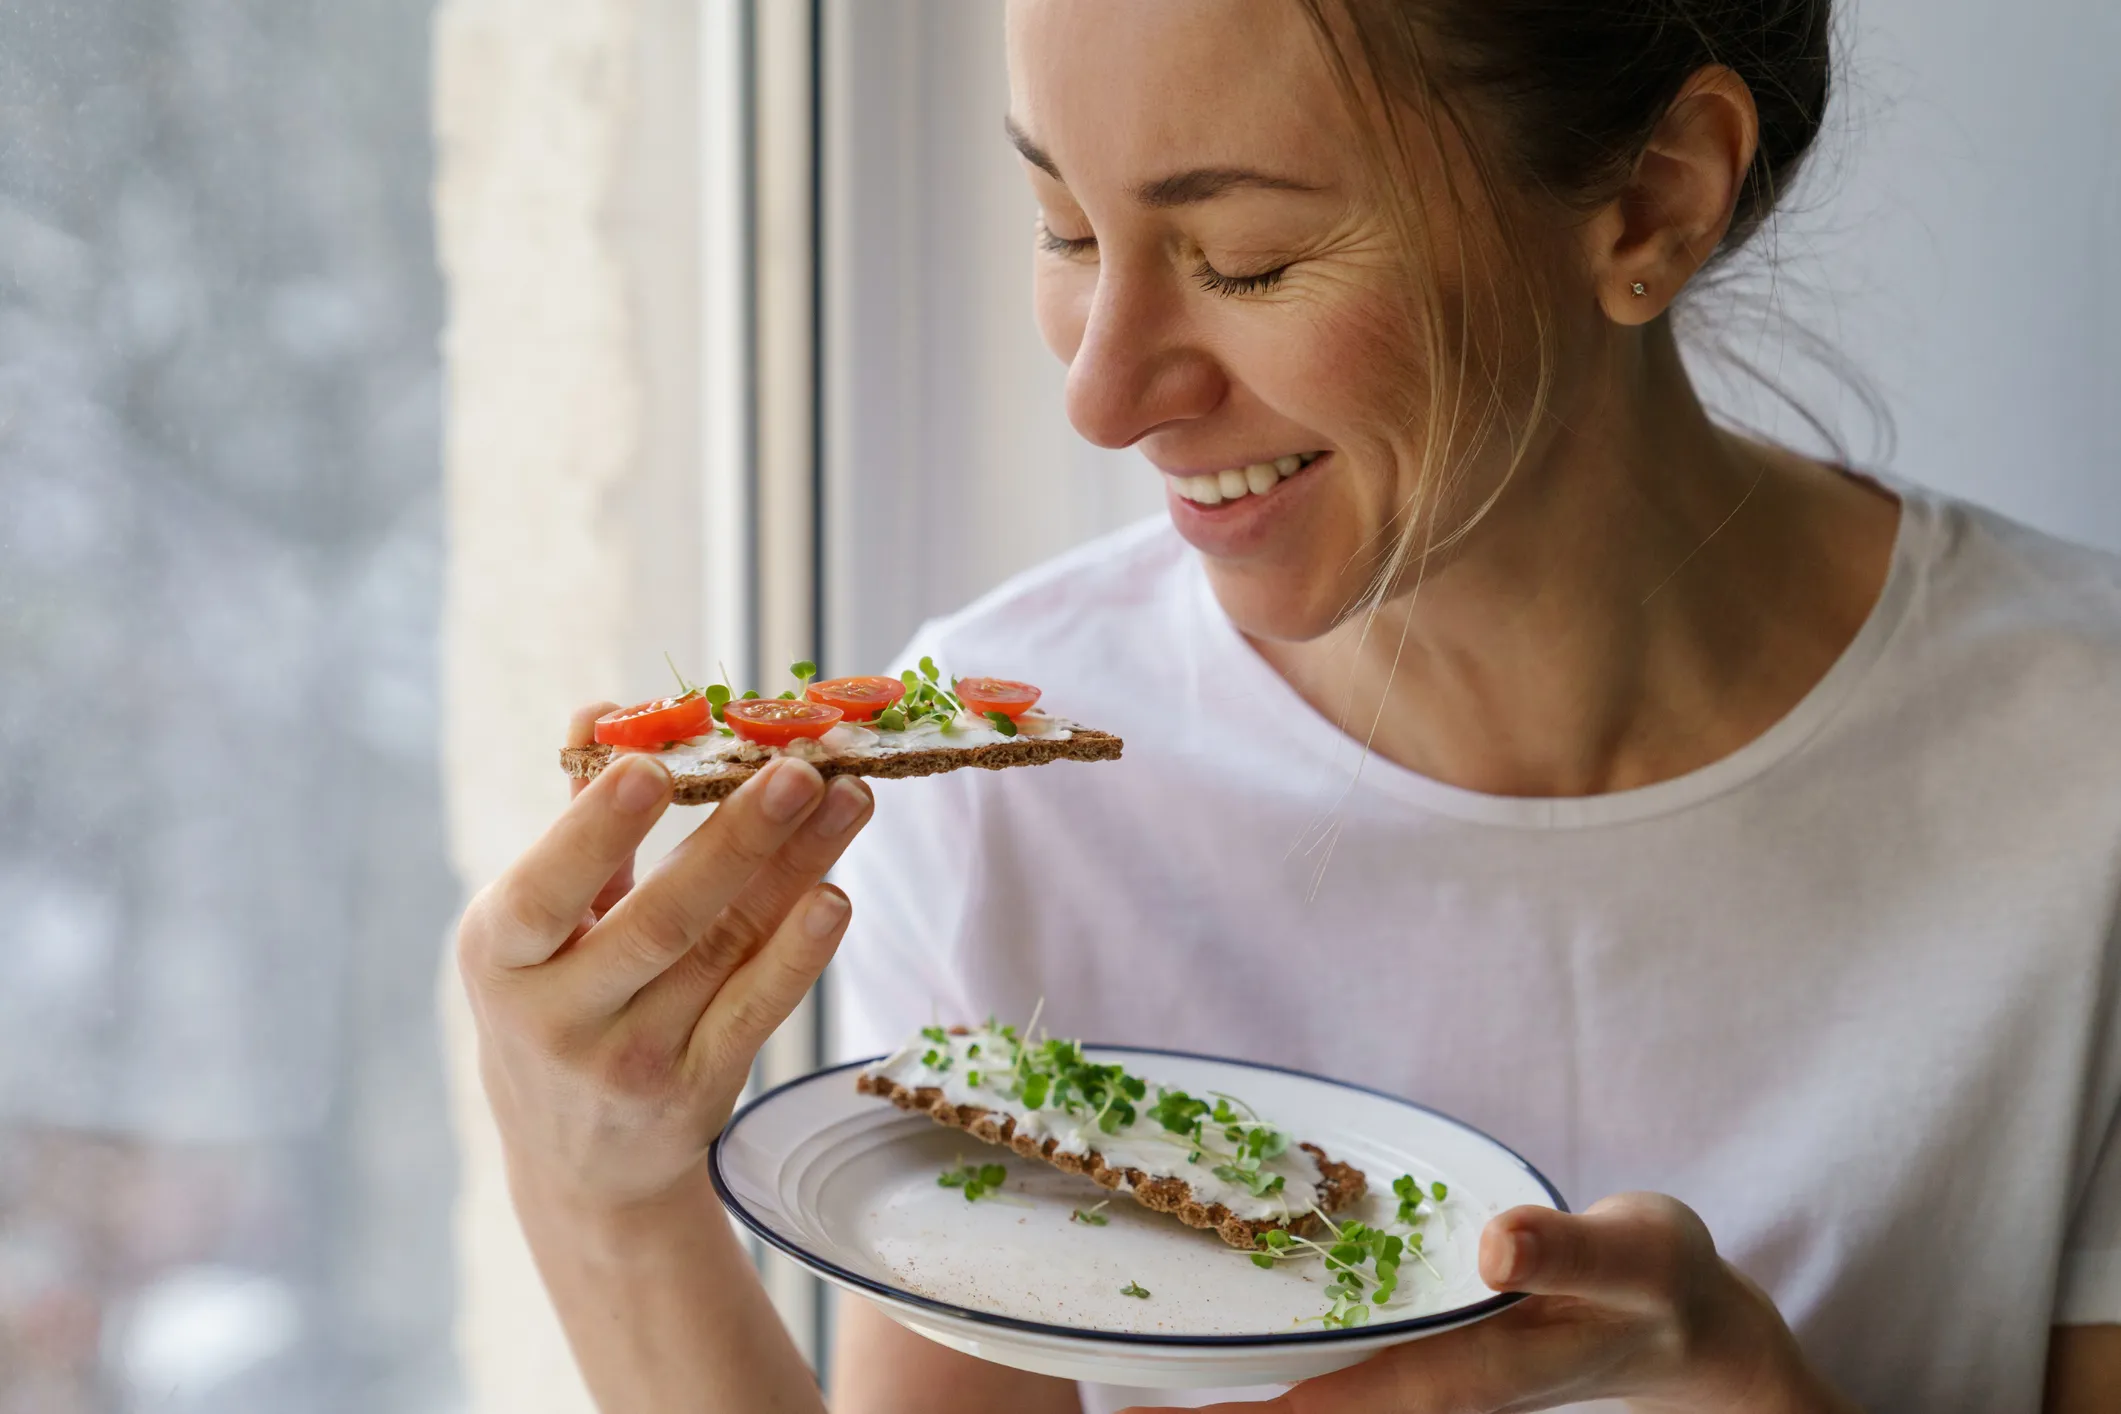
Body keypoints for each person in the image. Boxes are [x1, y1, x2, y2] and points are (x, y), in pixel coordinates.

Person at [453, 1, 2121, 1409]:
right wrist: (602, 1196)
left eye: (1244, 262)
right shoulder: (1013, 810)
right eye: (1066, 230)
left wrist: (1750, 1384)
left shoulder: (2082, 775)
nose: (1101, 396)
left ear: (1652, 204)